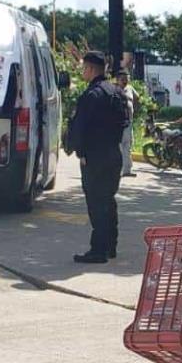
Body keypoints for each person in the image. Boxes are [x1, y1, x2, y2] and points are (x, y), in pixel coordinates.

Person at [64, 51, 127, 264]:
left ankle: (98, 250)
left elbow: (80, 127)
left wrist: (77, 151)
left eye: (84, 68)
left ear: (91, 69)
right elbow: (124, 123)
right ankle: (111, 245)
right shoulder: (117, 93)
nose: (83, 72)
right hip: (113, 153)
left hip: (95, 156)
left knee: (96, 202)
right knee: (108, 200)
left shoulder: (91, 95)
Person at [115, 68, 139, 178]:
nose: (125, 81)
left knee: (127, 146)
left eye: (127, 79)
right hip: (117, 123)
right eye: (122, 79)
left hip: (128, 122)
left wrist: (135, 108)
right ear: (117, 80)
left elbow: (137, 97)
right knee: (118, 146)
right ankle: (117, 170)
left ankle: (127, 170)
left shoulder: (130, 88)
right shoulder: (114, 90)